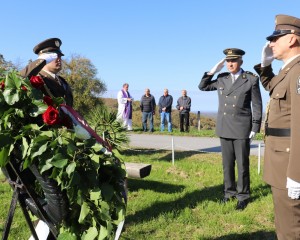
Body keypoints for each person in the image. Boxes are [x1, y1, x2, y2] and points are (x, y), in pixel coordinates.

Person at [254, 14, 300, 239]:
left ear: (292, 39)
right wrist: (265, 66)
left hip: (290, 164)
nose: (271, 43)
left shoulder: (298, 71)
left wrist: (296, 174)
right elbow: (272, 87)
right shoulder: (289, 70)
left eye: (275, 38)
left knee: (289, 229)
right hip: (282, 160)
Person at [199, 48, 262, 211]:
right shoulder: (221, 78)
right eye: (227, 61)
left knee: (242, 164)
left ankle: (243, 196)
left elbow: (256, 105)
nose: (230, 64)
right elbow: (202, 87)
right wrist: (213, 70)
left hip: (242, 127)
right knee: (227, 164)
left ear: (240, 62)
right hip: (225, 126)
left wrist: (255, 126)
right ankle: (229, 193)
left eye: (233, 61)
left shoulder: (250, 79)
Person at [20, 38, 73, 107]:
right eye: (54, 56)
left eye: (60, 56)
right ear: (45, 58)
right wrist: (41, 61)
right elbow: (19, 79)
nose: (59, 59)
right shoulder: (35, 79)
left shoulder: (63, 82)